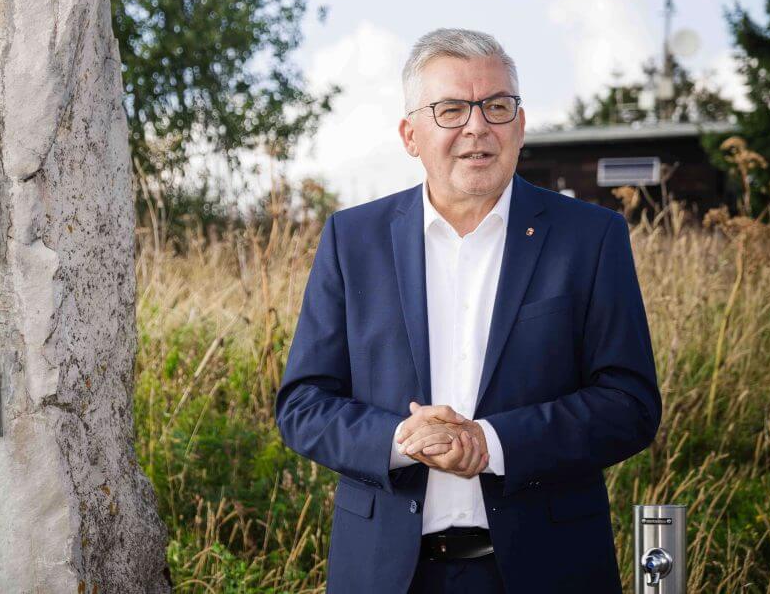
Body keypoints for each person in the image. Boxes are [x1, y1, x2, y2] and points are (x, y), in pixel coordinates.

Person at [275, 29, 661, 593]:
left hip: (548, 569)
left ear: (520, 126)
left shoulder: (591, 237)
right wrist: (399, 438)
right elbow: (303, 404)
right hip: (384, 573)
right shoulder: (351, 239)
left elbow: (629, 403)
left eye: (496, 107)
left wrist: (494, 443)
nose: (477, 127)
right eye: (451, 109)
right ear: (411, 134)